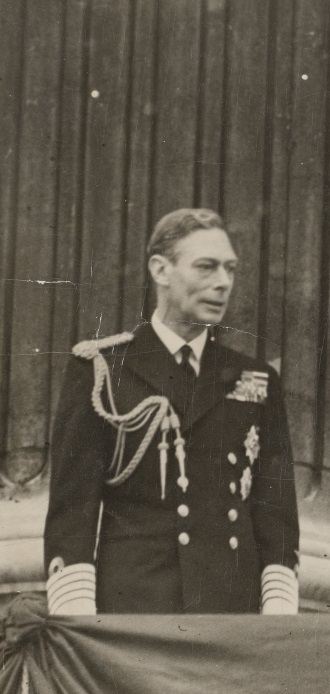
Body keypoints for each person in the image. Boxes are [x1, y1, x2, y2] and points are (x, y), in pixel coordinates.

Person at [44, 208, 301, 615]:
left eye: (230, 270)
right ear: (161, 270)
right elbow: (72, 513)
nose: (223, 283)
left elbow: (277, 513)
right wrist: (80, 623)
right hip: (135, 612)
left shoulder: (256, 378)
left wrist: (278, 616)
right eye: (206, 267)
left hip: (233, 613)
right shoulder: (102, 369)